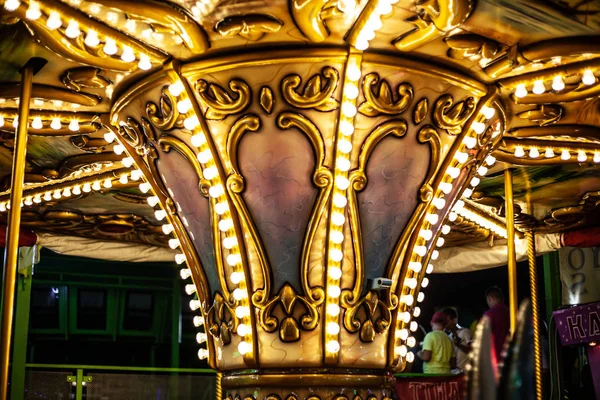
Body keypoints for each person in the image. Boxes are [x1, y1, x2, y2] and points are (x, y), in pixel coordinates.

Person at [484, 286, 510, 361]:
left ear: (489, 298)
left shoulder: (489, 314)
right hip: (510, 356)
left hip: (494, 357)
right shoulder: (512, 312)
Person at [443, 307, 472, 373]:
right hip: (455, 373)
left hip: (466, 372)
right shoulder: (448, 337)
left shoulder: (465, 332)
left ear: (454, 320)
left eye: (447, 321)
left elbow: (472, 351)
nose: (445, 324)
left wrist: (459, 345)